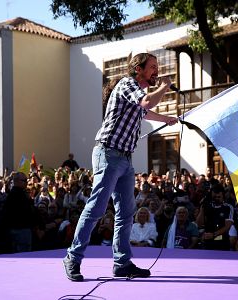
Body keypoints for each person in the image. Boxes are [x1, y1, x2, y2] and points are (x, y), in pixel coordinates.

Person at [63, 52, 179, 281]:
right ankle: (72, 258)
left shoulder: (137, 93)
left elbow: (145, 110)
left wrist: (167, 120)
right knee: (96, 208)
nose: (157, 71)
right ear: (139, 69)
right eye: (153, 67)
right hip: (108, 154)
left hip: (125, 159)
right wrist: (165, 86)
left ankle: (122, 263)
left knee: (126, 212)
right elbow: (146, 102)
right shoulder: (128, 84)